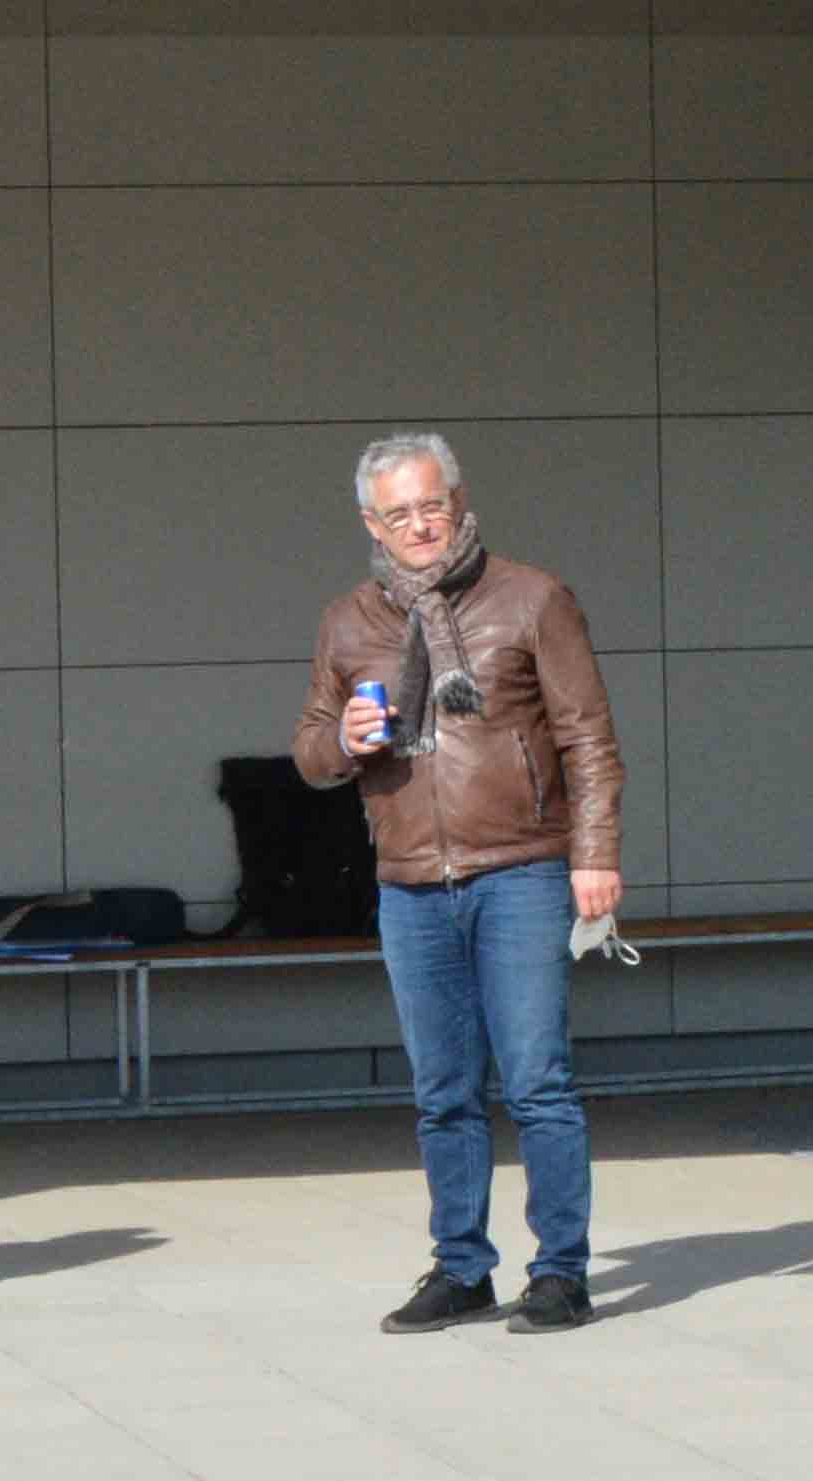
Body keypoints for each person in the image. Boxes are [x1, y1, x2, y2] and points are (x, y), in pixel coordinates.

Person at [295, 433, 627, 1338]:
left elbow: (588, 738)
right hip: (408, 883)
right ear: (372, 521)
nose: (419, 525)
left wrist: (594, 854)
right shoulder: (347, 621)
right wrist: (346, 744)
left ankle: (560, 1272)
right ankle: (462, 1269)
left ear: (458, 500)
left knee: (537, 1083)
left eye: (431, 505)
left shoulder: (531, 598)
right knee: (443, 1092)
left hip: (519, 870)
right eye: (397, 512)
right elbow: (311, 749)